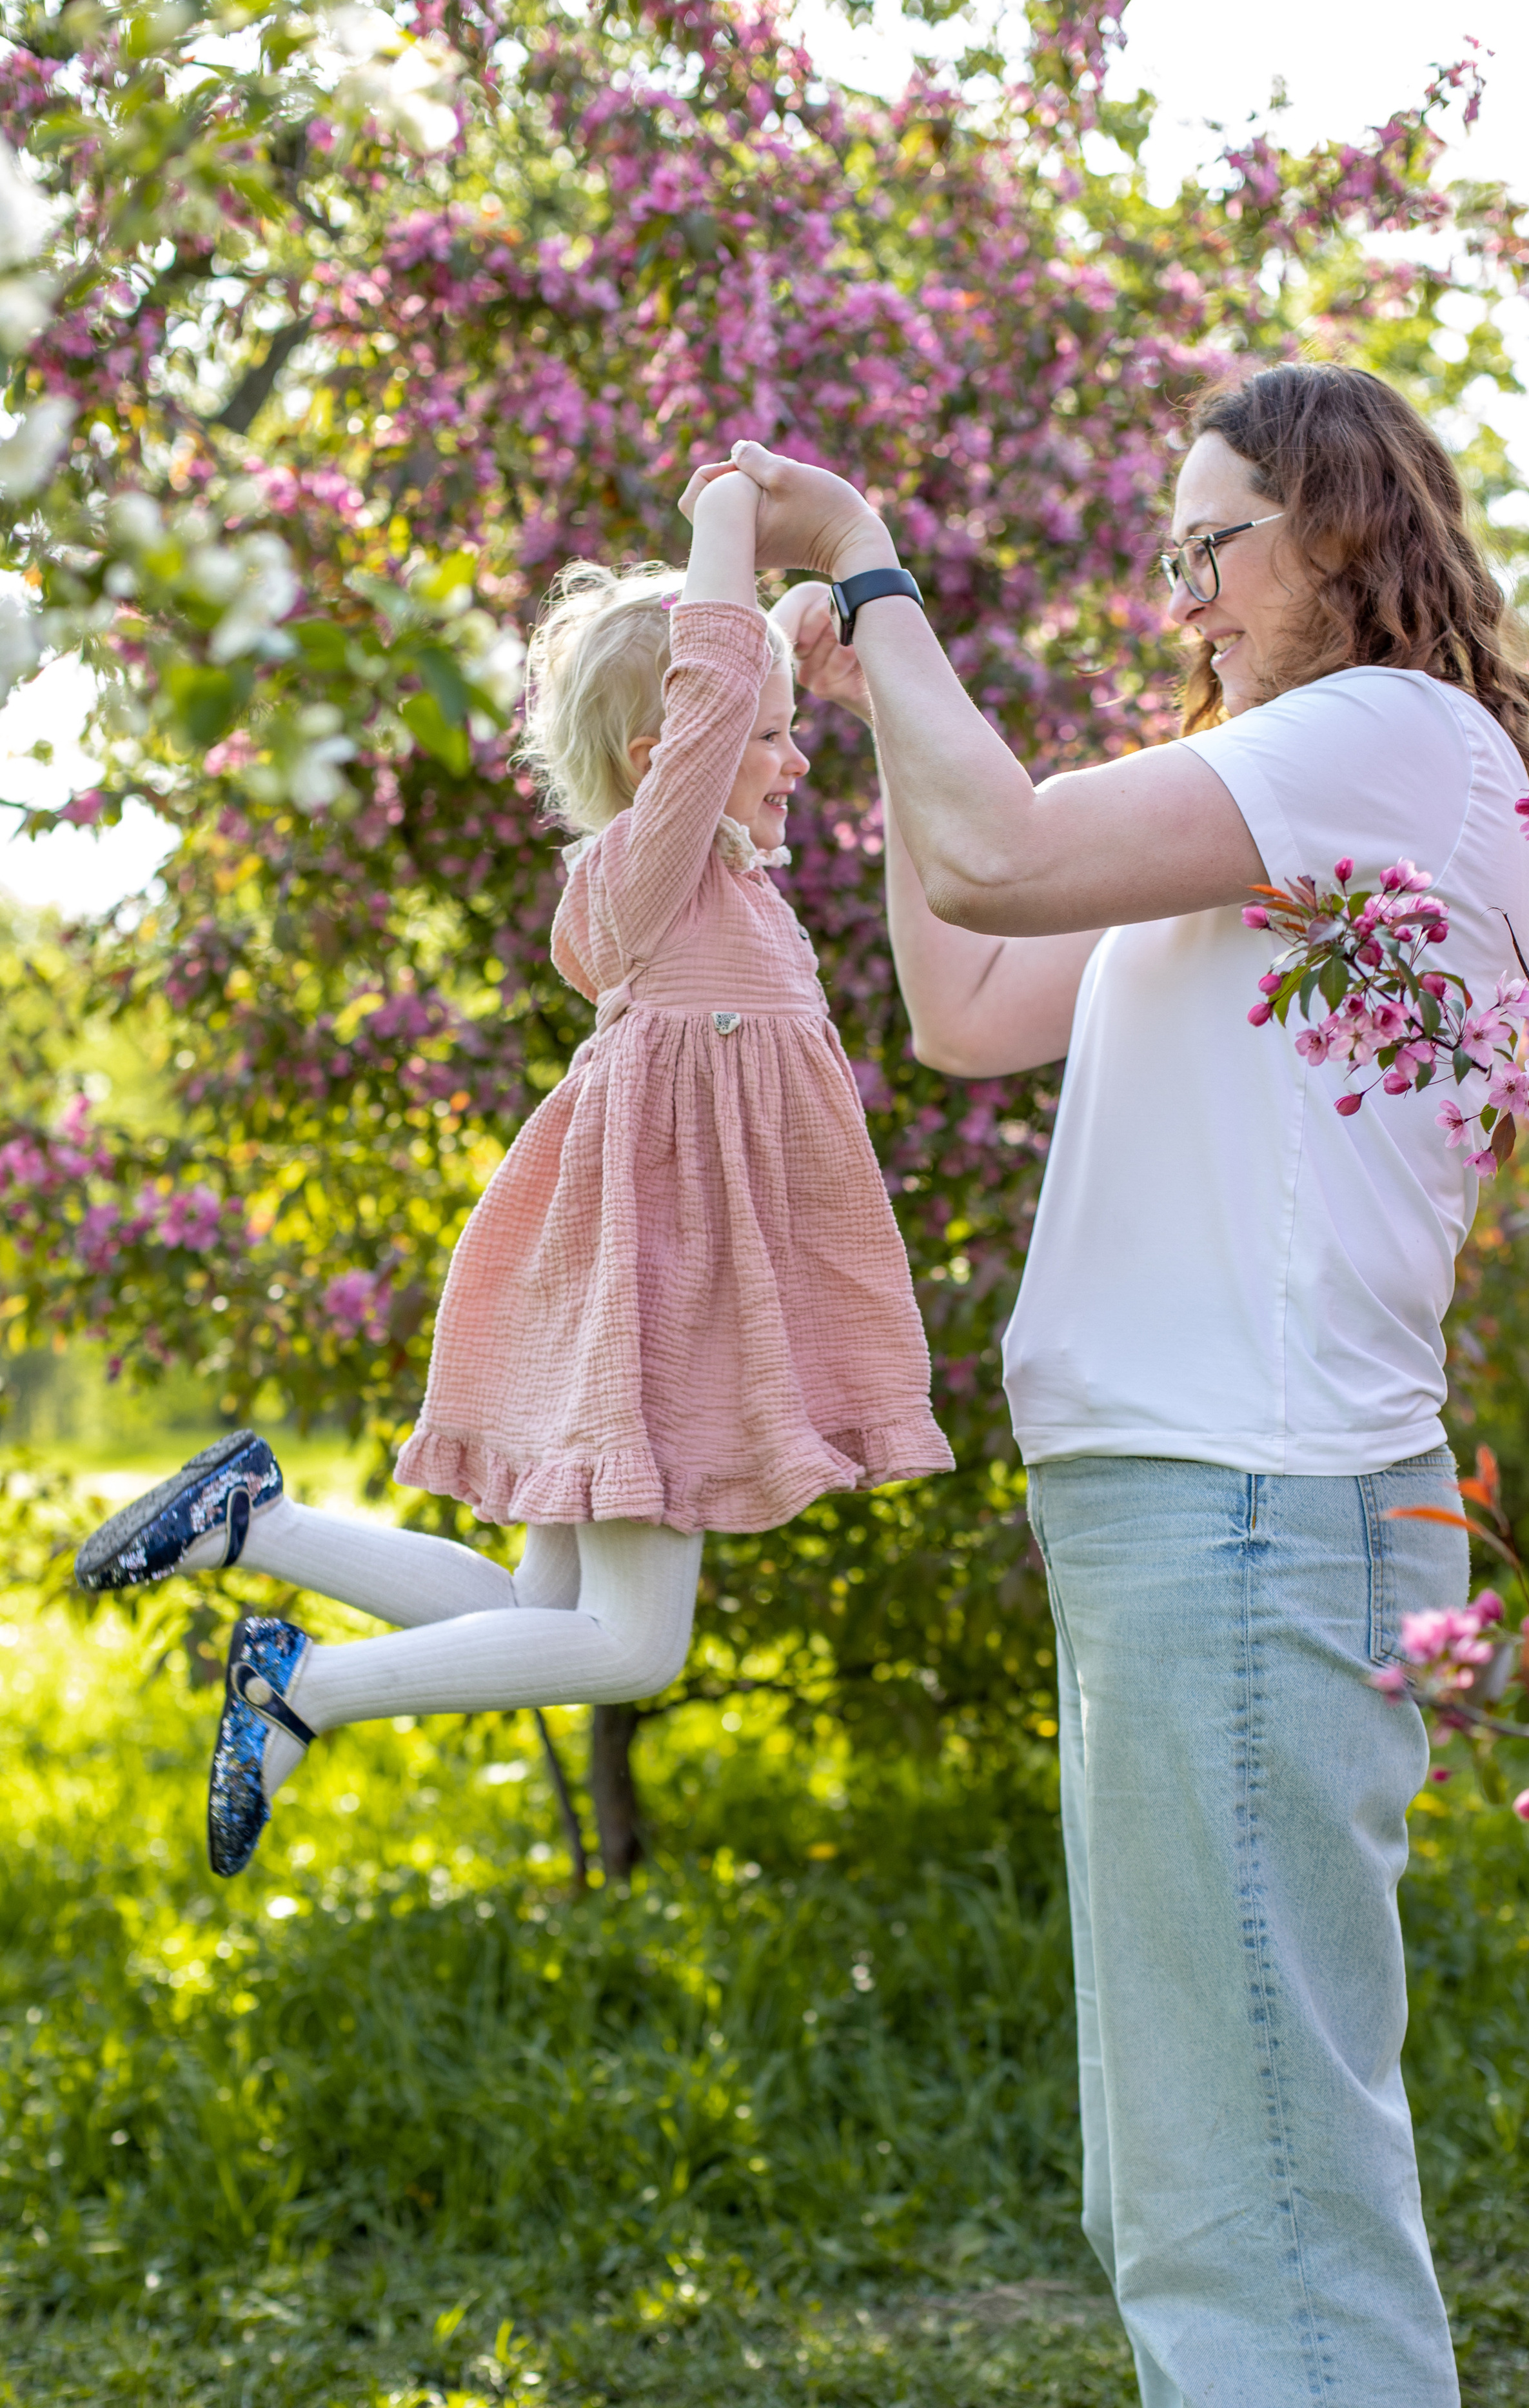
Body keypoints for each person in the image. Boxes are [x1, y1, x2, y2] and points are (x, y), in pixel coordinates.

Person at [705, 363, 1529, 2408]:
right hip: (1191, 1512)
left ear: (1340, 527)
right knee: (1198, 2189)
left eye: (1209, 546)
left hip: (1251, 1500)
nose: (1180, 596)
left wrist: (870, 564)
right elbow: (969, 1001)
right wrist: (877, 712)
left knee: (1249, 2193)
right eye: (1167, 556)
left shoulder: (1382, 741)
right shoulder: (1269, 796)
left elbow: (995, 862)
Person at [74, 472, 951, 1878]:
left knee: (538, 1606)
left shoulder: (708, 877)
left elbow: (741, 676)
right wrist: (728, 514)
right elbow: (723, 685)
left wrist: (806, 634)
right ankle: (301, 1687)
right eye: (770, 739)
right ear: (674, 746)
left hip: (645, 1290)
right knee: (624, 1648)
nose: (796, 761)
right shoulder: (644, 875)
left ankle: (256, 1520)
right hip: (655, 1307)